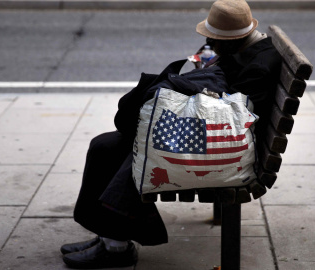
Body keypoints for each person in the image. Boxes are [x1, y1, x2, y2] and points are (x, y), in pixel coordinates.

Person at [61, 0, 281, 268]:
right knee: (103, 145)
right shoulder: (244, 47)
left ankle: (116, 247)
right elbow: (211, 72)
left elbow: (235, 117)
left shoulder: (258, 65)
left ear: (235, 38)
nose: (211, 42)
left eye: (215, 39)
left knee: (136, 151)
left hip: (227, 147)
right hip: (216, 132)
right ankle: (107, 235)